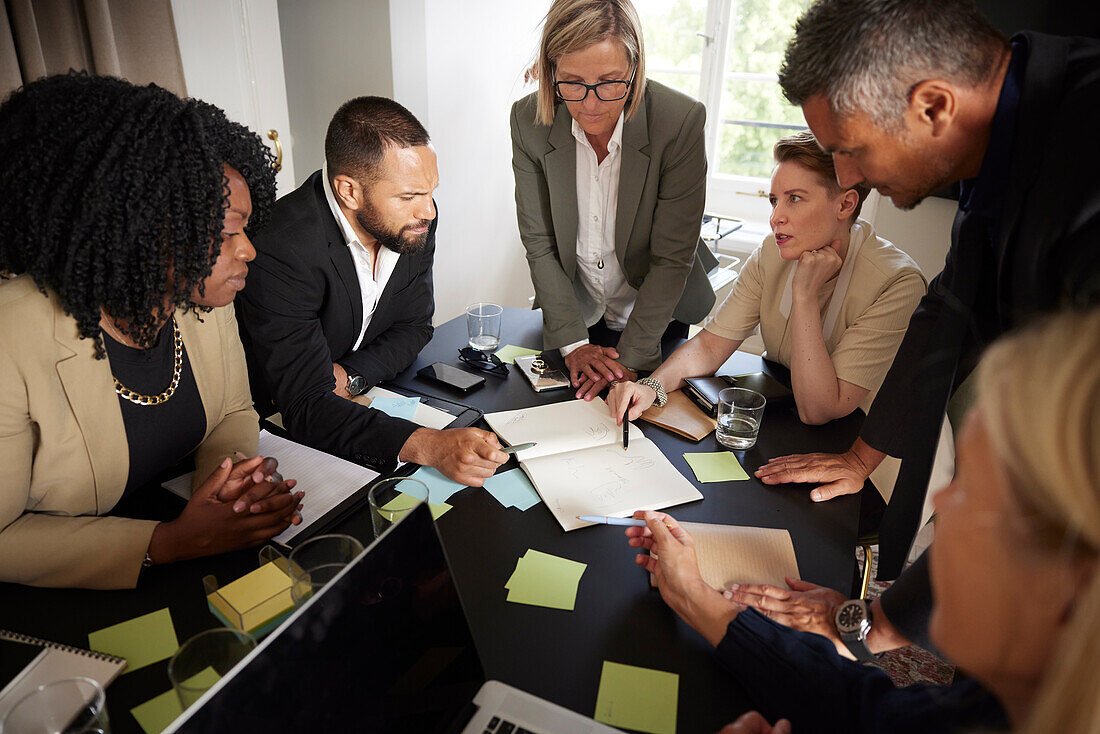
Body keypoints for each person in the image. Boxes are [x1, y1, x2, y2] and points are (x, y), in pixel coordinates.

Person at [740, 0, 1100, 655]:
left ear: (933, 106)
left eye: (848, 152)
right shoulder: (1008, 138)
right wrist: (860, 455)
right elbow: (947, 314)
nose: (848, 182)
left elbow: (1061, 460)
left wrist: (883, 621)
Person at [627, 307, 1100, 734]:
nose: (941, 502)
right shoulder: (996, 705)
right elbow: (867, 709)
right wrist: (694, 596)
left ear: (1069, 585)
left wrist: (693, 596)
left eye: (972, 493)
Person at [0, 73, 303, 590]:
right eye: (229, 231)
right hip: (63, 594)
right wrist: (169, 542)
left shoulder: (198, 299)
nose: (248, 250)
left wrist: (230, 491)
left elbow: (232, 411)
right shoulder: (14, 338)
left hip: (191, 551)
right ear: (143, 230)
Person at [607, 131, 926, 465]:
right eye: (774, 200)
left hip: (857, 450)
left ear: (845, 204)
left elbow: (819, 410)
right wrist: (650, 388)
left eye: (795, 199)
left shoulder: (897, 283)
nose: (776, 217)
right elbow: (711, 345)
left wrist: (804, 296)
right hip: (780, 419)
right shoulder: (771, 253)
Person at [237, 97, 507, 486]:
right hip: (275, 431)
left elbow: (415, 327)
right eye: (410, 196)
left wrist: (351, 375)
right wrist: (430, 446)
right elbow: (306, 404)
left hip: (361, 395)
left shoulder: (412, 222)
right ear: (349, 190)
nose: (429, 211)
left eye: (431, 191)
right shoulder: (282, 247)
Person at [511, 0, 719, 401]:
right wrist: (574, 344)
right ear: (550, 70)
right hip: (574, 315)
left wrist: (632, 358)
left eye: (609, 82)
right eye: (571, 82)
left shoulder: (679, 121)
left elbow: (673, 257)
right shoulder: (528, 120)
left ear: (635, 70)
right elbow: (539, 244)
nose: (590, 105)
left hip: (657, 318)